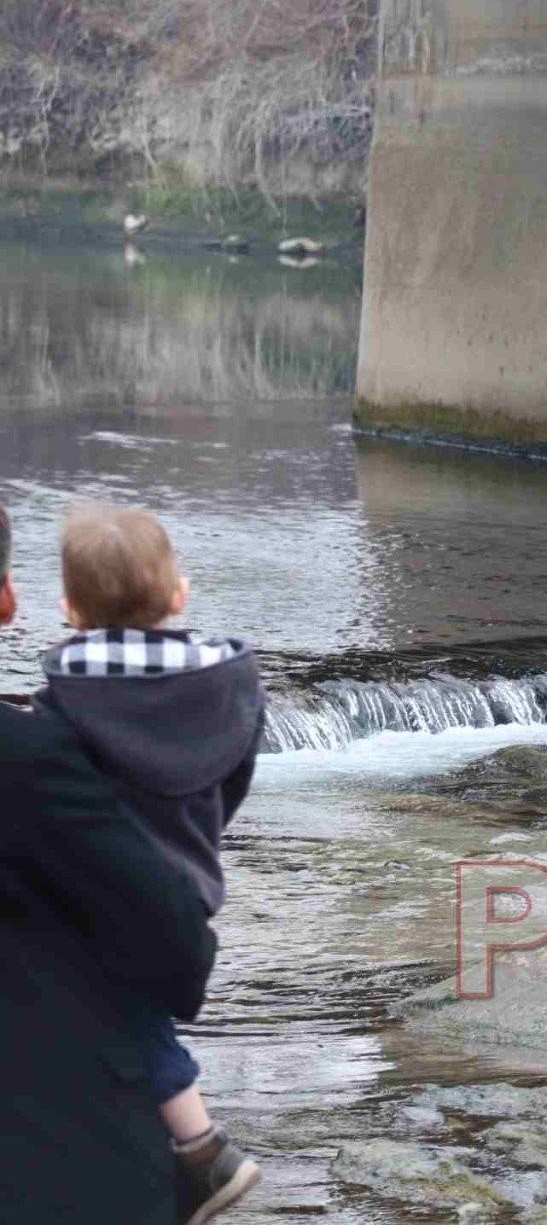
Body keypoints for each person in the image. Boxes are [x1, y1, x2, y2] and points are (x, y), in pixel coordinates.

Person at [28, 507, 266, 1222]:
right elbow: (235, 778)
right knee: (140, 1005)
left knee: (129, 1011)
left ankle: (202, 1149)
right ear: (178, 596)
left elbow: (56, 799)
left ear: (69, 607)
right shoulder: (225, 688)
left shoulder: (65, 698)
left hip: (101, 893)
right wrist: (199, 835)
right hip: (189, 885)